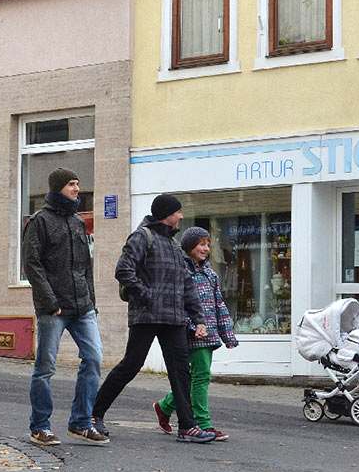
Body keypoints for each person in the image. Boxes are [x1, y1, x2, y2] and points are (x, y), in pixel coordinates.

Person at [92, 194, 217, 444]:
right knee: (131, 365)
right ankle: (93, 415)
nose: (181, 216)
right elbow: (123, 270)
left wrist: (198, 318)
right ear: (166, 214)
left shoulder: (173, 245)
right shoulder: (142, 236)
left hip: (174, 318)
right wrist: (146, 295)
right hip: (147, 315)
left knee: (181, 372)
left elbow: (187, 285)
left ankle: (188, 426)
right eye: (178, 212)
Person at [21, 168, 108, 446]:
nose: (77, 188)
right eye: (72, 184)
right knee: (45, 367)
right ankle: (40, 427)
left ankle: (81, 423)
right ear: (58, 187)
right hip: (54, 308)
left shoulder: (78, 222)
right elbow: (32, 264)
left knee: (93, 358)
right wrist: (49, 301)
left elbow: (86, 267)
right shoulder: (39, 222)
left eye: (78, 183)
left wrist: (91, 302)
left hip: (83, 307)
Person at [153, 227, 238, 441]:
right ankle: (203, 423)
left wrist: (227, 335)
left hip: (209, 335)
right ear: (189, 247)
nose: (206, 249)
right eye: (201, 244)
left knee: (192, 378)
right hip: (191, 333)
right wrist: (193, 326)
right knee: (202, 376)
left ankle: (165, 406)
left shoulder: (210, 273)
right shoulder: (181, 270)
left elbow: (219, 305)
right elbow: (179, 303)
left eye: (208, 245)